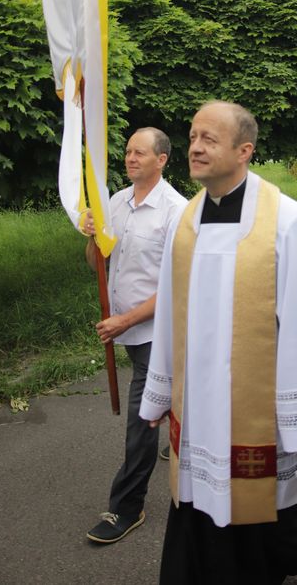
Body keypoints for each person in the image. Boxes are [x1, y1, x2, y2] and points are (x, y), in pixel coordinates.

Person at [140, 102, 297, 585]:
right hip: (201, 406)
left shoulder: (287, 222)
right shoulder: (185, 223)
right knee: (203, 506)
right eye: (192, 137)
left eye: (209, 139)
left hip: (262, 407)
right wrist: (161, 392)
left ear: (244, 151)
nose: (196, 147)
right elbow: (172, 313)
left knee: (286, 512)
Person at [84, 127, 186, 543]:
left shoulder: (176, 211)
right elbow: (98, 263)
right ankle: (183, 434)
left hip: (157, 333)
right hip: (125, 330)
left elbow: (178, 285)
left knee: (142, 417)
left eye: (139, 152)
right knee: (173, 400)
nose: (130, 158)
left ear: (161, 160)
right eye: (128, 151)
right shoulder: (115, 202)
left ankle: (127, 507)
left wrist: (126, 320)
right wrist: (91, 237)